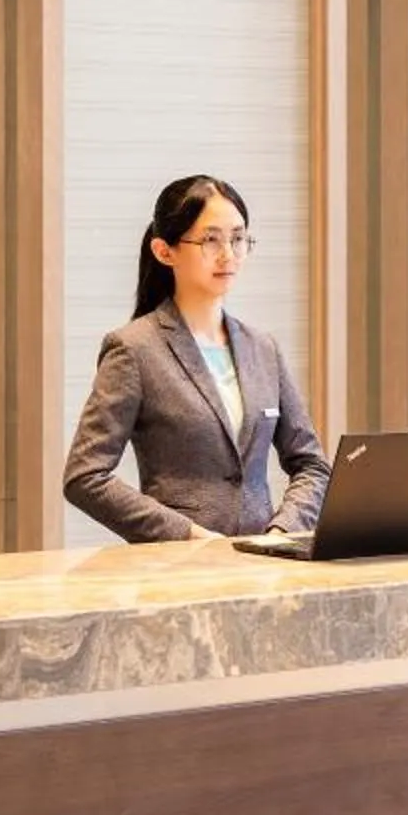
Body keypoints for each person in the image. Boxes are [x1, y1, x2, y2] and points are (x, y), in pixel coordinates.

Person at [63, 174, 331, 542]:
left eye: (238, 239)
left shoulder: (263, 349)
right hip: (179, 567)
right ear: (164, 251)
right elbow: (84, 476)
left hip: (265, 568)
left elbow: (312, 464)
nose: (228, 255)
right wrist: (186, 534)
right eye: (210, 240)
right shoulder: (134, 349)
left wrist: (282, 530)